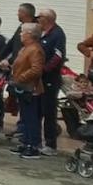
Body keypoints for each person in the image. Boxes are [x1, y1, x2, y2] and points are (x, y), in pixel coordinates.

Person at [8, 23, 45, 159]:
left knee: (31, 118)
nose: (20, 34)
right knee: (25, 116)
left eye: (22, 32)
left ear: (29, 34)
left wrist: (20, 78)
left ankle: (33, 146)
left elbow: (36, 70)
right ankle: (26, 142)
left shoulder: (35, 50)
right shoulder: (25, 48)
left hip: (31, 89)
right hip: (22, 88)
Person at [35, 8, 66, 155]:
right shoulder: (41, 33)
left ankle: (50, 144)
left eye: (39, 17)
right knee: (38, 110)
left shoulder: (57, 34)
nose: (37, 20)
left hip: (50, 79)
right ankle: (35, 141)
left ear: (46, 19)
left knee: (49, 111)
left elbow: (58, 56)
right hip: (39, 78)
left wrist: (45, 69)